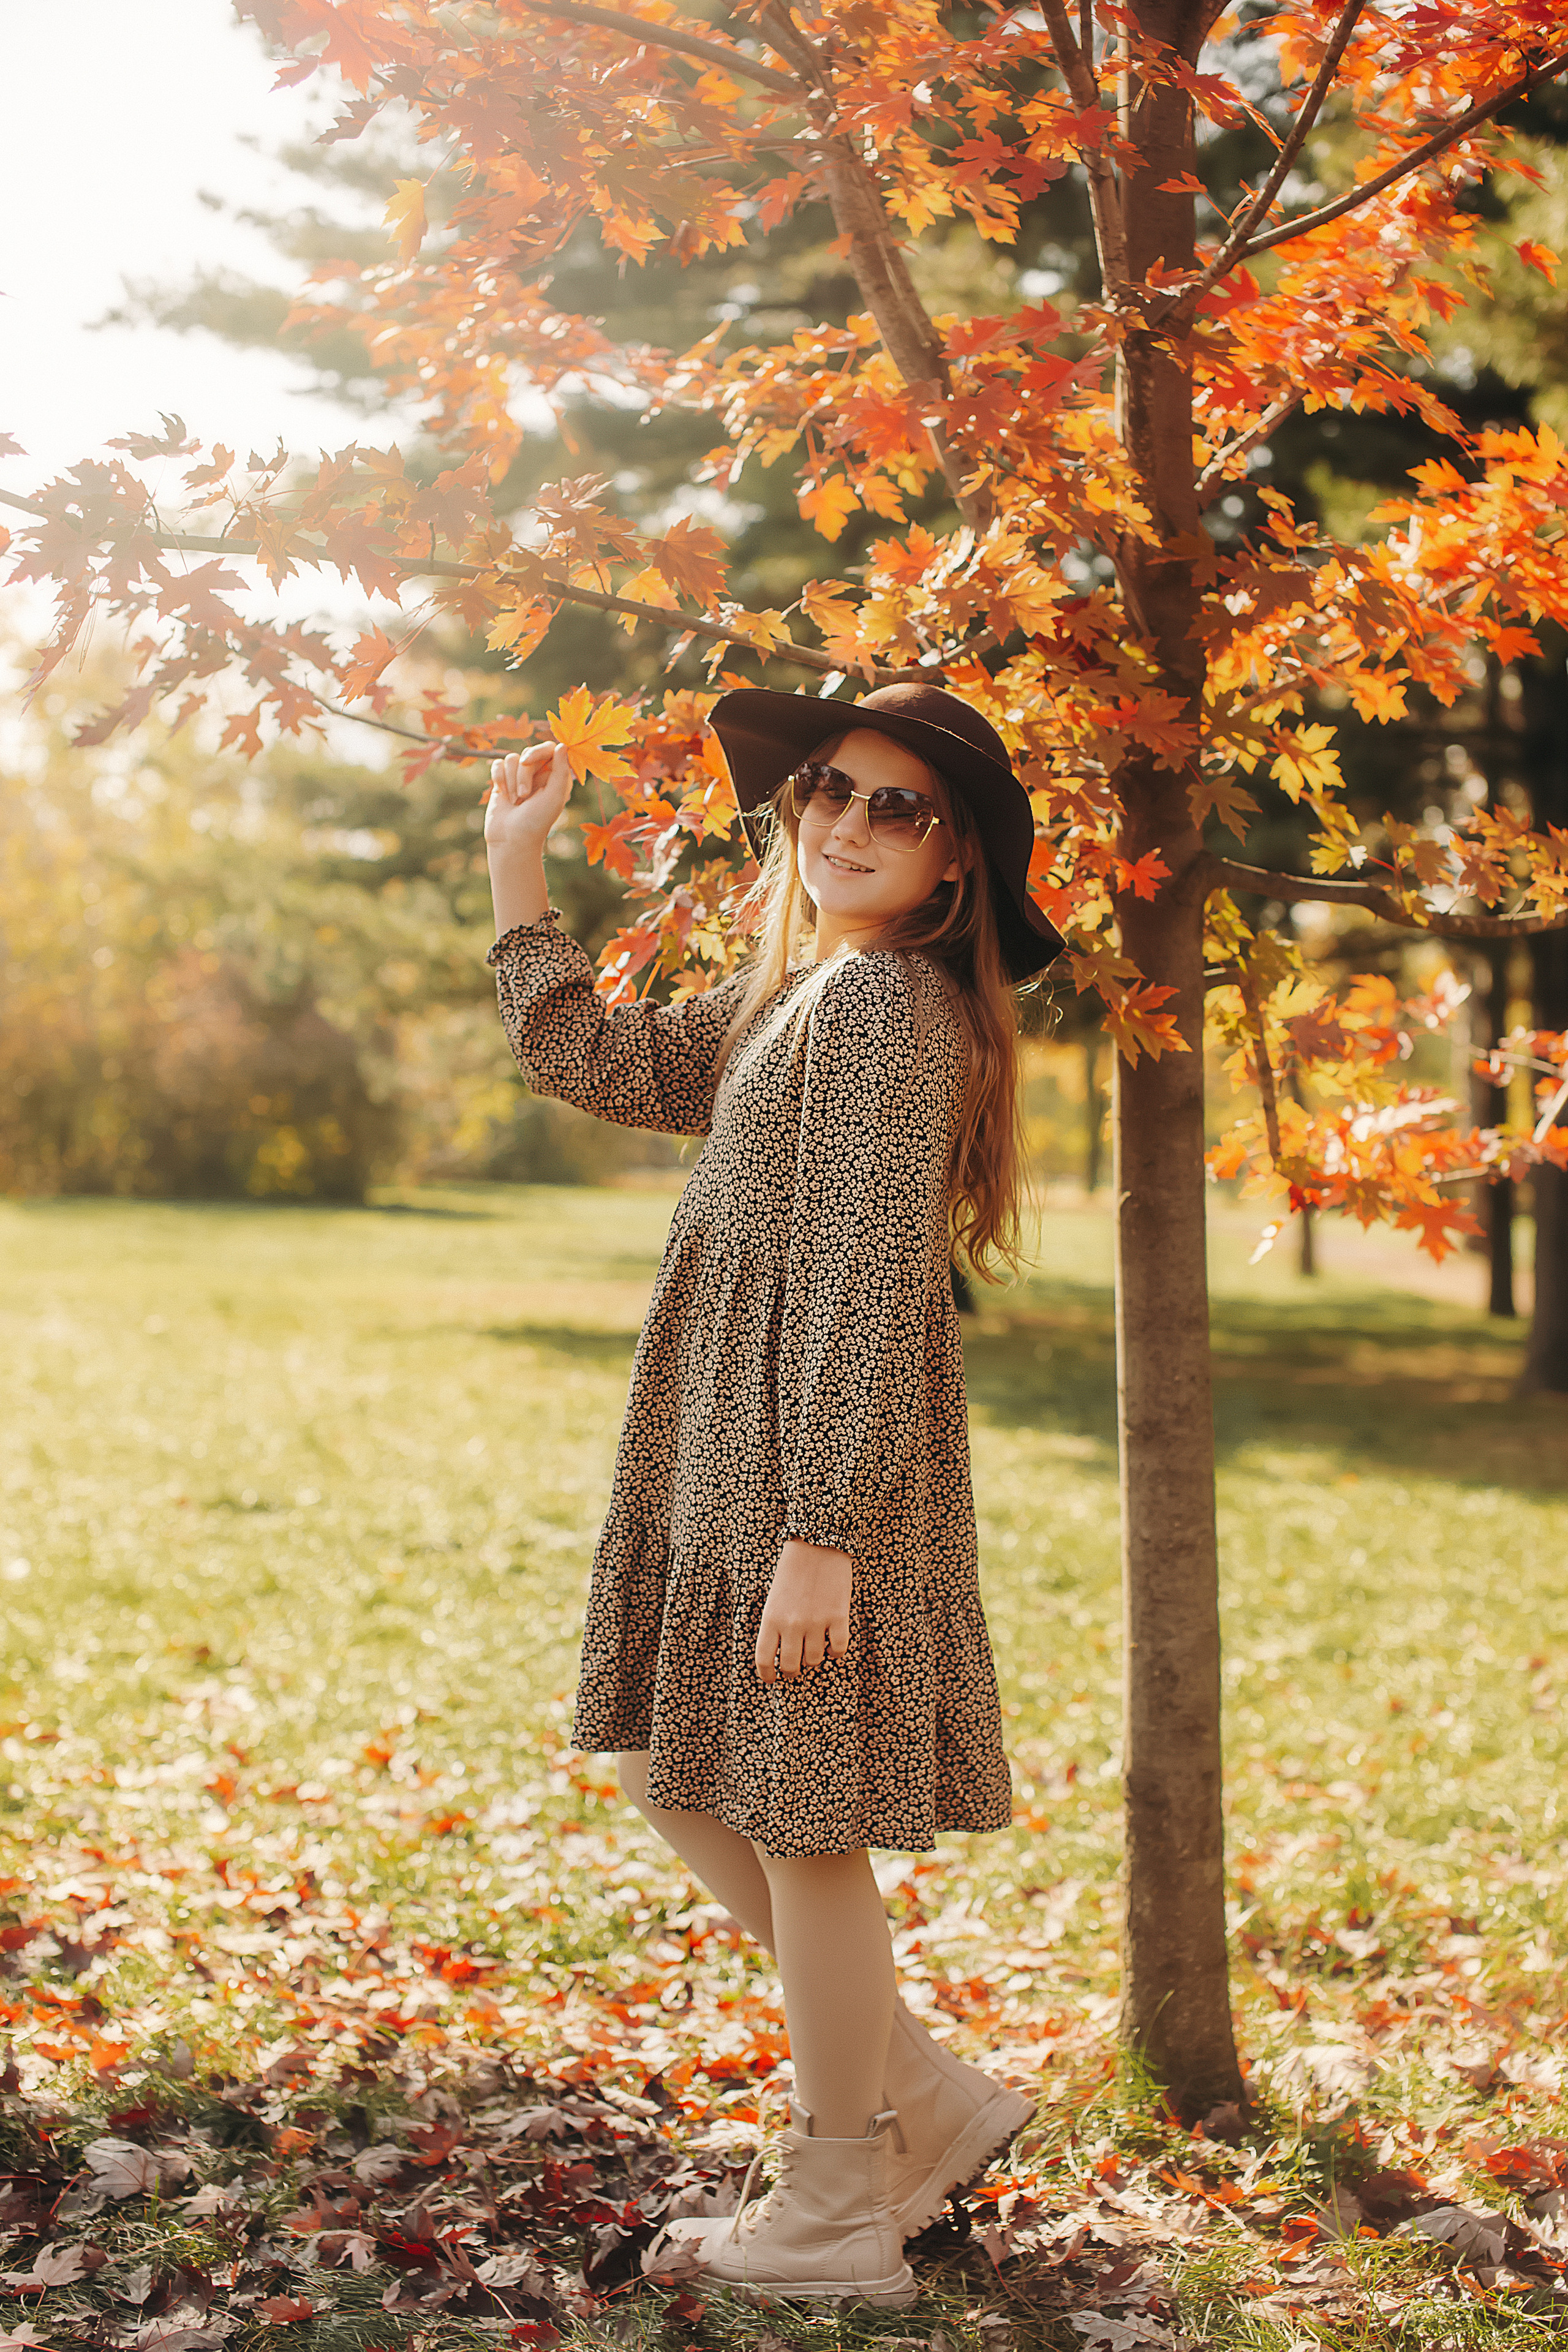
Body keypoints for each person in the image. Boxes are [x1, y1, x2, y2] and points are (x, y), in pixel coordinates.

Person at [484, 682, 1065, 2309]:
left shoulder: (883, 1012)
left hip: (811, 1470)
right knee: (682, 1768)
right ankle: (923, 2107)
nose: (850, 825)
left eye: (900, 808)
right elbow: (589, 1053)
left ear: (956, 866)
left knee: (794, 1823)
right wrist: (517, 867)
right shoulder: (808, 999)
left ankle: (833, 2205)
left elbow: (874, 1284)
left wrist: (822, 1534)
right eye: (830, 789)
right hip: (741, 1455)